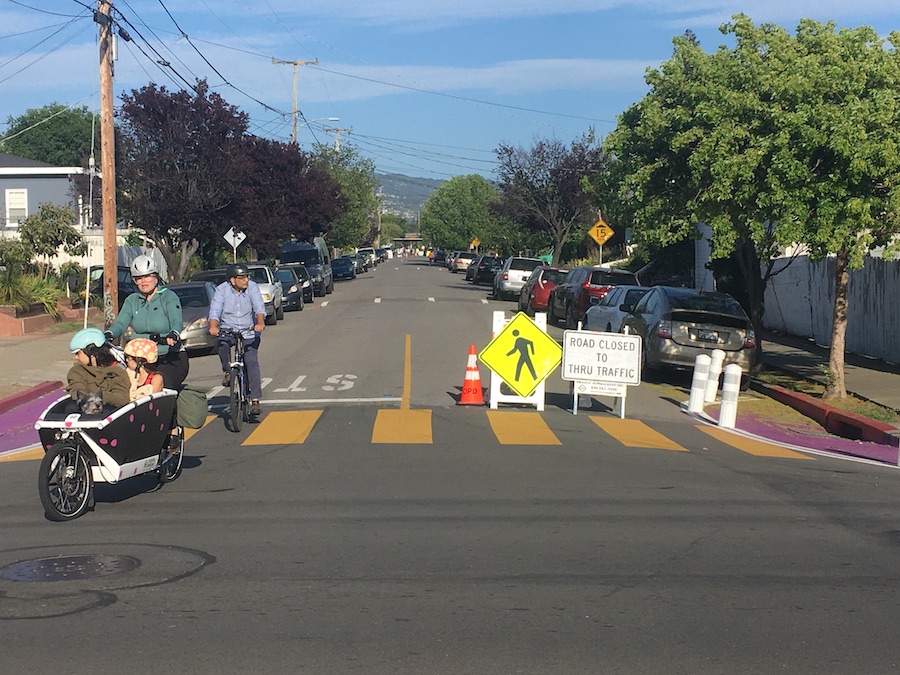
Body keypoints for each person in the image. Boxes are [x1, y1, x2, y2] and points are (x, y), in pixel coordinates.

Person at [106, 254, 189, 390]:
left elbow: (176, 321)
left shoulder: (168, 297)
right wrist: (109, 333)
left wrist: (173, 334)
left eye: (147, 276)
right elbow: (121, 323)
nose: (143, 281)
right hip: (140, 360)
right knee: (124, 385)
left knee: (160, 383)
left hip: (169, 357)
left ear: (156, 276)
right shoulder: (132, 300)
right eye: (138, 278)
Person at [207, 262, 266, 416]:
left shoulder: (252, 287)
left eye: (247, 276)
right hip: (229, 328)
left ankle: (255, 400)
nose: (246, 280)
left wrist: (259, 323)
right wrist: (213, 326)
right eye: (242, 277)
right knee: (222, 344)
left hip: (249, 330)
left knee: (251, 361)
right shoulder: (221, 290)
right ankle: (228, 371)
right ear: (232, 280)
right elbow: (215, 311)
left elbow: (259, 307)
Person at [66, 327, 130, 411]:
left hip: (108, 415)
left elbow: (122, 398)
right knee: (71, 408)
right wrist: (91, 398)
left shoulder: (117, 371)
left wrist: (100, 396)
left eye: (78, 353)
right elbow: (77, 390)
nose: (75, 357)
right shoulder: (77, 371)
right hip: (83, 412)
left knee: (107, 409)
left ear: (91, 352)